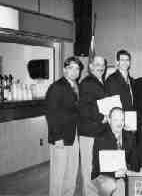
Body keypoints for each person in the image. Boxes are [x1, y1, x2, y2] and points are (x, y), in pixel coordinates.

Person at [45, 56, 83, 196]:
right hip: (61, 138)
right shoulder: (56, 87)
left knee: (71, 174)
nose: (74, 71)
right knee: (58, 176)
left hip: (74, 137)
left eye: (77, 68)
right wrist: (57, 138)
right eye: (71, 68)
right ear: (64, 70)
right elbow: (51, 114)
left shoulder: (75, 86)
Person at [91, 107, 139, 196]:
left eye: (122, 120)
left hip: (124, 173)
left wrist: (130, 171)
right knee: (113, 184)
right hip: (103, 175)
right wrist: (114, 174)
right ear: (109, 120)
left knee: (129, 183)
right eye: (116, 120)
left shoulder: (130, 137)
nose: (119, 123)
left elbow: (134, 161)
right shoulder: (101, 138)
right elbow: (98, 166)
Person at [79, 56, 108, 196]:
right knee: (88, 168)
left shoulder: (100, 81)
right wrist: (101, 117)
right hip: (89, 132)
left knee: (96, 167)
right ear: (90, 66)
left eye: (102, 64)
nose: (100, 67)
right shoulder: (87, 82)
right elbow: (85, 107)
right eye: (97, 64)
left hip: (98, 131)